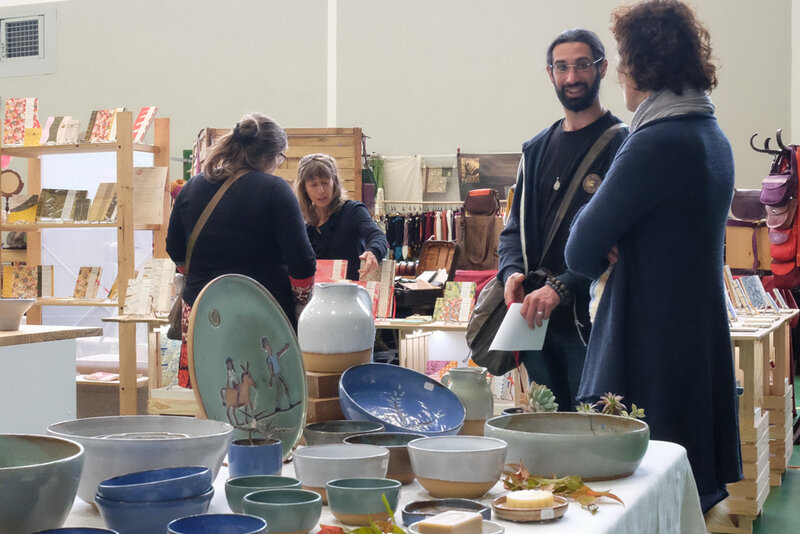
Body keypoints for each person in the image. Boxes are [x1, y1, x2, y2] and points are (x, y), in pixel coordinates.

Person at [564, 0, 742, 512]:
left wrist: (610, 234)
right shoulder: (713, 137)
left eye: (621, 59)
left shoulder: (655, 141)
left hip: (647, 344)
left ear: (640, 64)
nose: (618, 74)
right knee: (683, 494)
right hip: (695, 338)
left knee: (636, 499)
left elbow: (580, 249)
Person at [497, 29, 628, 408]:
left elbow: (618, 241)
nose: (572, 78)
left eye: (582, 65)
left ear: (602, 69)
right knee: (545, 430)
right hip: (533, 322)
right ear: (550, 73)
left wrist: (562, 286)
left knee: (596, 427)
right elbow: (513, 230)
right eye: (562, 67)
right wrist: (511, 274)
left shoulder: (622, 144)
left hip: (590, 321)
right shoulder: (535, 149)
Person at [166, 113, 316, 388]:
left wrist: (203, 274)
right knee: (263, 400)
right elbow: (302, 262)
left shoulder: (192, 187)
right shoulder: (276, 190)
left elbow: (174, 249)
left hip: (202, 311)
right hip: (260, 313)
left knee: (209, 396)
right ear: (271, 155)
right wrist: (301, 300)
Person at [294, 153, 388, 281]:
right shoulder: (301, 220)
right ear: (304, 188)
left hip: (351, 295)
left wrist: (373, 252)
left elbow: (377, 236)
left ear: (335, 182)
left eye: (325, 183)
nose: (321, 190)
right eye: (313, 185)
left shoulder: (354, 210)